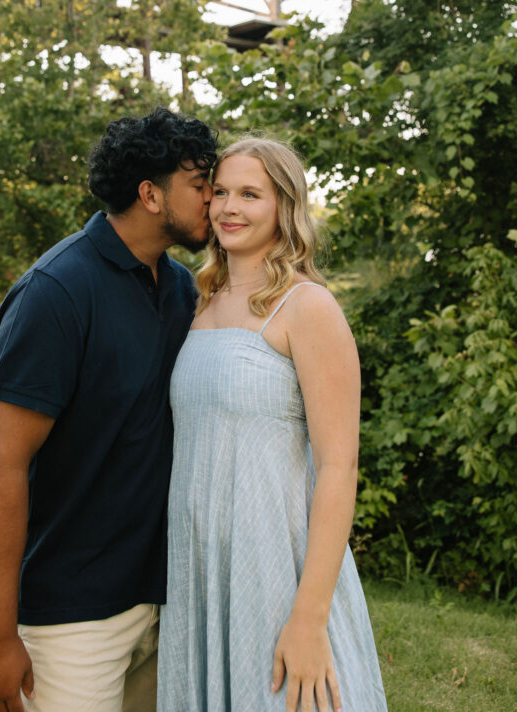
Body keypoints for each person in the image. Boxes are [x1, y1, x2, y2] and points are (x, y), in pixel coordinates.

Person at [0, 107, 218, 712]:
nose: (214, 198)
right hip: (72, 613)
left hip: (165, 598)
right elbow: (2, 466)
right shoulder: (55, 292)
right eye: (200, 183)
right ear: (150, 194)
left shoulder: (183, 289)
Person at [157, 137, 388, 712]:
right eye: (222, 192)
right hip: (200, 567)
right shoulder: (196, 302)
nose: (229, 207)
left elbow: (339, 467)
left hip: (277, 567)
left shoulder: (307, 307)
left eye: (250, 194)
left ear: (284, 208)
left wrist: (308, 619)